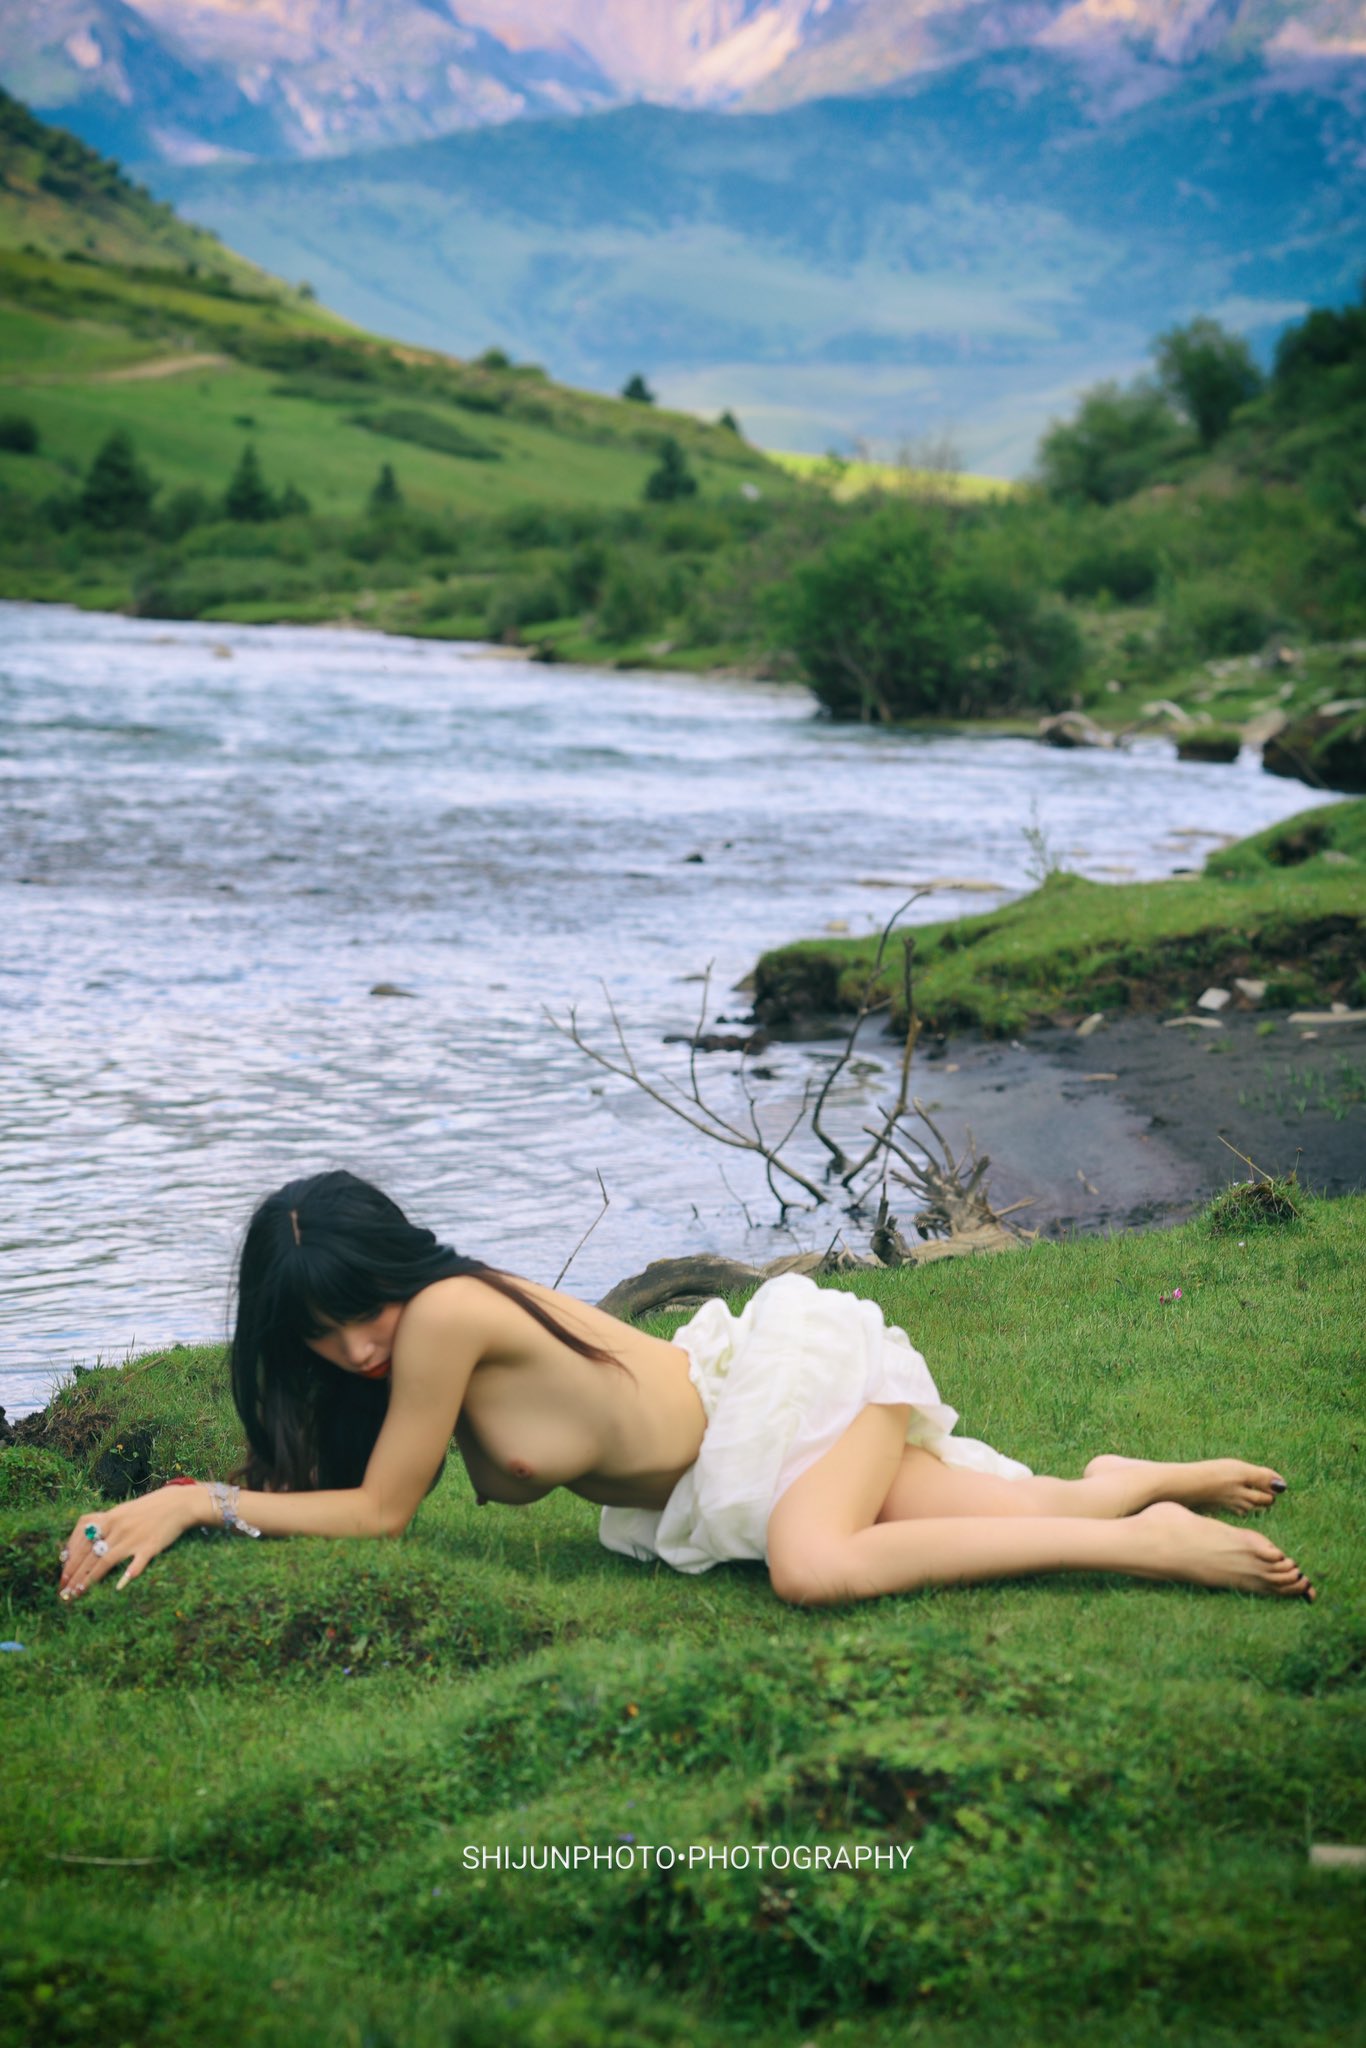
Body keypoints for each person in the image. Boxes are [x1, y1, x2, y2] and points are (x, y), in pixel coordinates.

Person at [57, 1170, 1316, 1606]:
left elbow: (385, 1513)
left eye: (360, 1309)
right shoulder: (425, 1319)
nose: (355, 1350)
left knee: (813, 1568)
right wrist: (192, 1499)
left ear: (399, 1271)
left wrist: (197, 1505)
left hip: (786, 1395)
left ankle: (1150, 1553)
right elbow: (344, 1497)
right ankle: (1117, 1489)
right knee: (989, 1511)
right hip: (751, 1438)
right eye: (319, 1333)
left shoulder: (442, 1310)